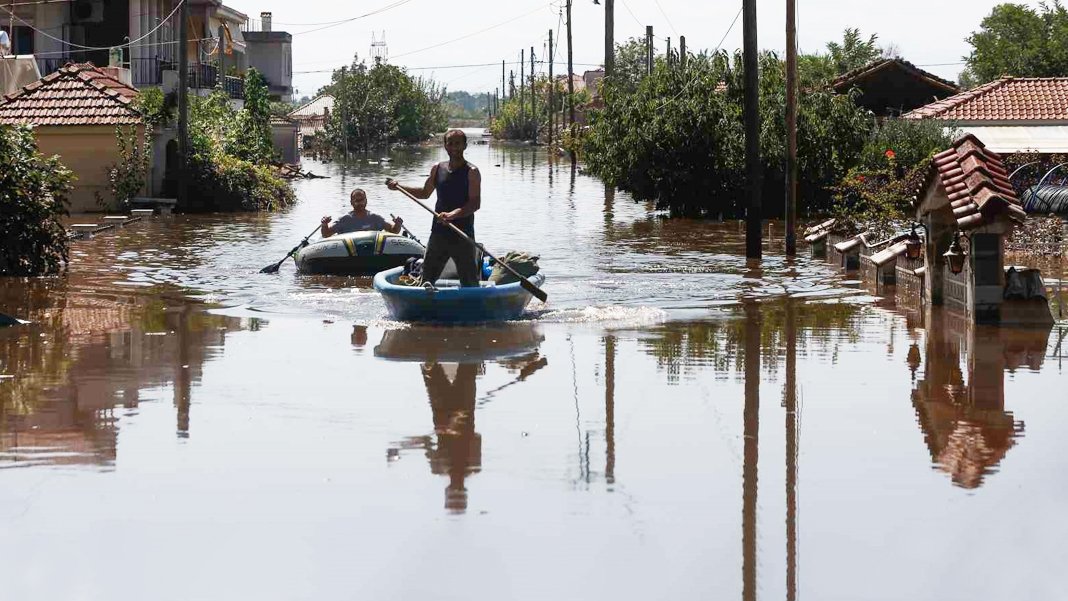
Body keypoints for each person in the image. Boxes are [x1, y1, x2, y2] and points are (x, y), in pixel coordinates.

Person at [387, 129, 482, 287]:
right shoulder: (438, 168)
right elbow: (424, 193)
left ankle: (472, 305)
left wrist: (452, 215)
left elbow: (474, 203)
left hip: (463, 234)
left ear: (465, 146)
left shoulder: (472, 172)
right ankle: (424, 305)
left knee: (469, 282)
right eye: (450, 143)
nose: (453, 147)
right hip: (439, 233)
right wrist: (399, 187)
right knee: (427, 279)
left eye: (457, 143)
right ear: (445, 146)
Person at [320, 188, 402, 238]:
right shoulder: (345, 219)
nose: (360, 203)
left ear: (366, 201)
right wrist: (324, 224)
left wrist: (398, 224)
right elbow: (326, 234)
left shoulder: (375, 218)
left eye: (362, 200)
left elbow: (394, 230)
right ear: (351, 202)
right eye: (357, 201)